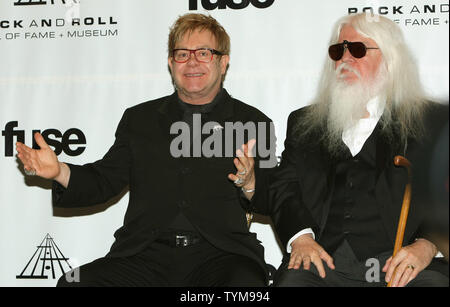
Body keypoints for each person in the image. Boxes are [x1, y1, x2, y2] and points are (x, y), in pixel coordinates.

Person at [16, 13, 275, 287]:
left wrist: (251, 183)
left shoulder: (254, 123)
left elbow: (274, 198)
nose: (192, 62)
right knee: (75, 283)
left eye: (203, 53)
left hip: (223, 257)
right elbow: (105, 179)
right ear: (170, 63)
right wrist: (60, 171)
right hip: (144, 255)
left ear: (223, 62)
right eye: (182, 54)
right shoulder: (139, 120)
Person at [249, 13, 449, 287]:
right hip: (322, 264)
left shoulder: (426, 121)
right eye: (337, 51)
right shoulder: (304, 123)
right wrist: (301, 238)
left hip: (398, 265)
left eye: (357, 50)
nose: (344, 59)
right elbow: (285, 186)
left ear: (390, 60)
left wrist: (426, 246)